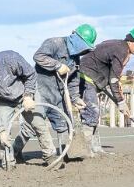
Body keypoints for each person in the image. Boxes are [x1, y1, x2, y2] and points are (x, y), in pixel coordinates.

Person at [0, 51, 57, 169]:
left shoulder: (10, 59)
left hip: (25, 93)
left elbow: (30, 74)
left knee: (39, 124)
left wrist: (28, 95)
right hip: (5, 100)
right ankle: (8, 162)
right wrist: (0, 131)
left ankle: (50, 156)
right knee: (4, 131)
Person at [77, 27, 134, 155]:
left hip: (92, 77)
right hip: (86, 77)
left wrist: (118, 91)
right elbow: (113, 80)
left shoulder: (119, 46)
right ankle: (81, 150)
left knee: (93, 113)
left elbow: (114, 75)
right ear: (132, 41)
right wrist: (121, 102)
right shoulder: (121, 50)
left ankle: (96, 148)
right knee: (92, 113)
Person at [33, 24, 96, 155]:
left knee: (62, 124)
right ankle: (15, 152)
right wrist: (57, 65)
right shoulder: (54, 43)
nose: (84, 51)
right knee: (31, 127)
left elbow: (73, 80)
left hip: (58, 94)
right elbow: (38, 56)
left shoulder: (75, 58)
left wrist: (75, 98)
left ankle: (66, 154)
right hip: (40, 90)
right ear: (77, 39)